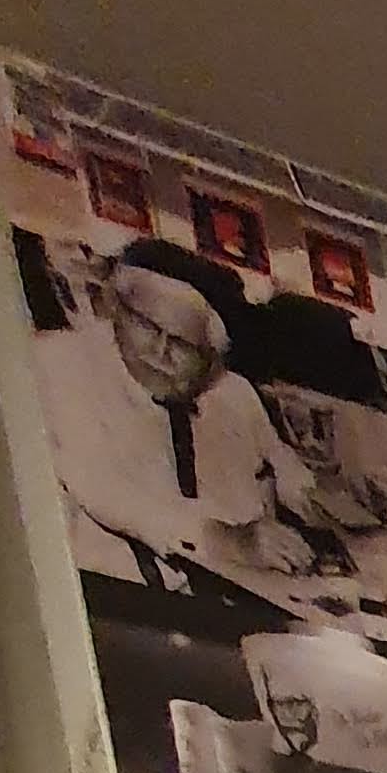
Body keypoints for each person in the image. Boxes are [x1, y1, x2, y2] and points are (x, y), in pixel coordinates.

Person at [39, 238, 312, 588]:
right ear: (116, 306)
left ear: (213, 358)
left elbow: (287, 471)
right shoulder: (58, 361)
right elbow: (101, 486)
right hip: (107, 597)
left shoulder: (234, 394)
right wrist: (222, 538)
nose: (159, 351)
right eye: (147, 325)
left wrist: (310, 499)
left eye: (182, 343)